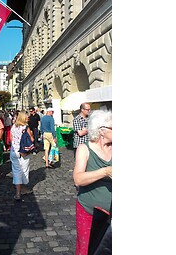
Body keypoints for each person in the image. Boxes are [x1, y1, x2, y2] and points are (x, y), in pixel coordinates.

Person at [73, 109, 112, 255]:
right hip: (89, 211)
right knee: (87, 250)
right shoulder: (85, 148)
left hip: (112, 213)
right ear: (102, 131)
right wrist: (105, 171)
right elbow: (78, 179)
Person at [9, 111, 34, 201]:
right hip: (23, 152)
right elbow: (31, 139)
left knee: (16, 171)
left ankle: (19, 192)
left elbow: (11, 139)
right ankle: (21, 190)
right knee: (24, 170)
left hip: (14, 151)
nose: (28, 118)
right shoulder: (25, 128)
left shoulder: (14, 126)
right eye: (27, 117)